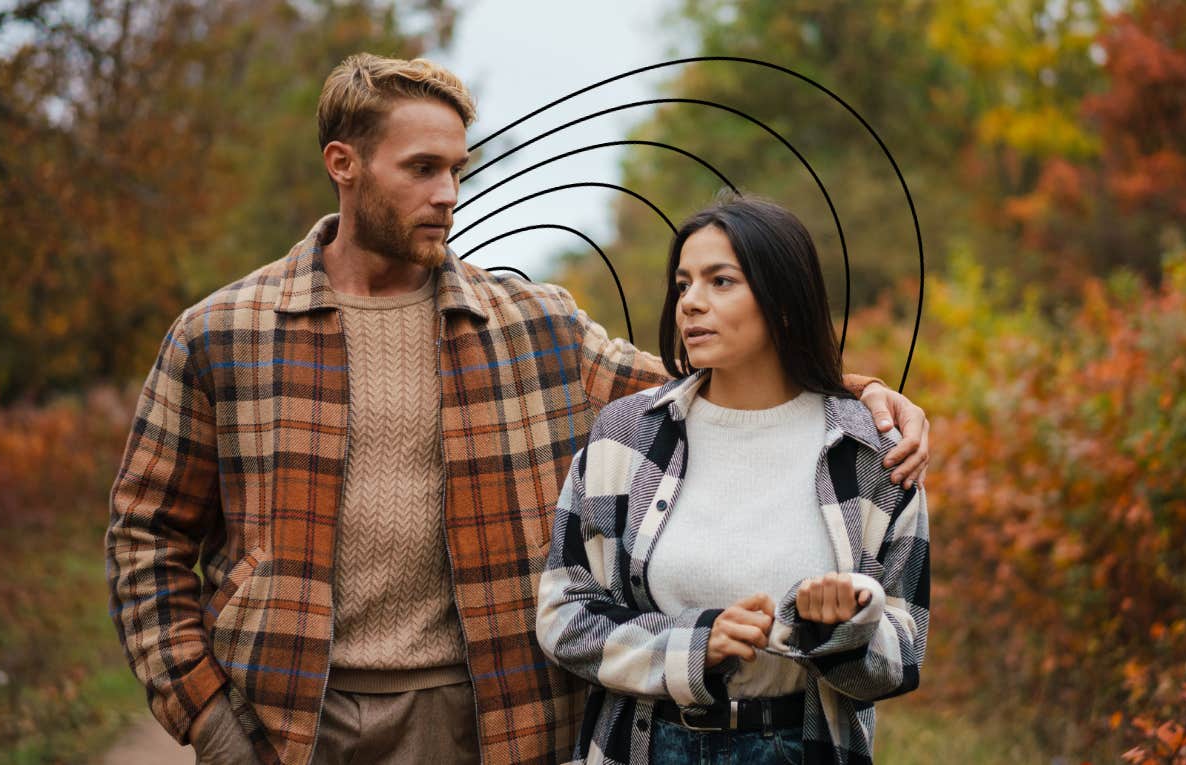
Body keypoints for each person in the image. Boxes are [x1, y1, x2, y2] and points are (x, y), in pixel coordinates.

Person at [105, 55, 931, 765]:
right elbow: (147, 536)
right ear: (343, 163)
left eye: (458, 169)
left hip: (486, 717)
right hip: (288, 716)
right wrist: (208, 716)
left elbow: (710, 388)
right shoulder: (224, 335)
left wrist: (854, 391)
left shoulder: (533, 324)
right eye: (422, 168)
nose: (449, 193)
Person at [536, 196, 930, 765]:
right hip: (643, 746)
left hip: (804, 746)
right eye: (683, 283)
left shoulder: (872, 454)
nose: (691, 302)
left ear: (784, 301)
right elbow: (565, 616)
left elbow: (903, 659)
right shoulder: (627, 436)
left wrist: (836, 630)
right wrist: (694, 648)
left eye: (721, 281)